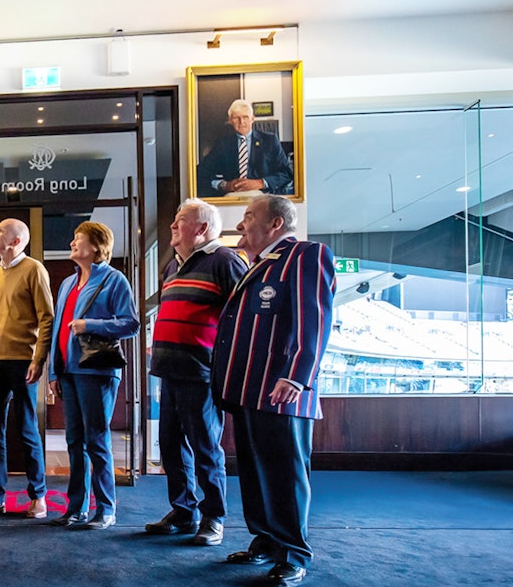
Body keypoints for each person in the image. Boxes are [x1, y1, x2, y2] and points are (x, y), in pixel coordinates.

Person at [213, 195, 335, 586]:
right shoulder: (258, 265)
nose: (240, 224)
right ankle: (265, 541)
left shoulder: (304, 256)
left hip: (282, 390)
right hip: (249, 390)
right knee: (255, 473)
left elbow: (314, 319)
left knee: (284, 475)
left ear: (275, 224)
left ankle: (293, 555)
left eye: (249, 216)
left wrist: (297, 375)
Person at [145, 199, 246, 546]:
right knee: (171, 446)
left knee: (205, 448)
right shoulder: (173, 266)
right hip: (169, 371)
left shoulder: (225, 260)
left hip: (201, 373)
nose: (173, 226)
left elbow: (241, 318)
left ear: (202, 228)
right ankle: (183, 511)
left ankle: (214, 516)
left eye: (180, 220)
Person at [46, 222, 138, 530]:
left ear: (96, 246)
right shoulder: (67, 284)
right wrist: (54, 371)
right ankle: (76, 508)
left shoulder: (114, 279)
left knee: (96, 440)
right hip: (68, 371)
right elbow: (58, 330)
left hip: (97, 370)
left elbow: (131, 323)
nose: (72, 243)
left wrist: (90, 325)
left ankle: (106, 509)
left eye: (78, 238)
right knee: (74, 441)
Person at [0, 218, 54, 519]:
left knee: (27, 428)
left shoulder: (34, 269)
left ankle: (38, 496)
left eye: (0, 231)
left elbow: (47, 318)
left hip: (23, 362)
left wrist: (38, 360)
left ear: (16, 241)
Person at [198, 100, 294, 196]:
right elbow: (203, 171)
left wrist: (261, 183)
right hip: (232, 196)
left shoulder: (270, 141)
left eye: (245, 117)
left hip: (264, 196)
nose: (241, 122)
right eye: (236, 118)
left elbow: (286, 173)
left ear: (252, 119)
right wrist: (224, 185)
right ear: (230, 120)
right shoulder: (223, 143)